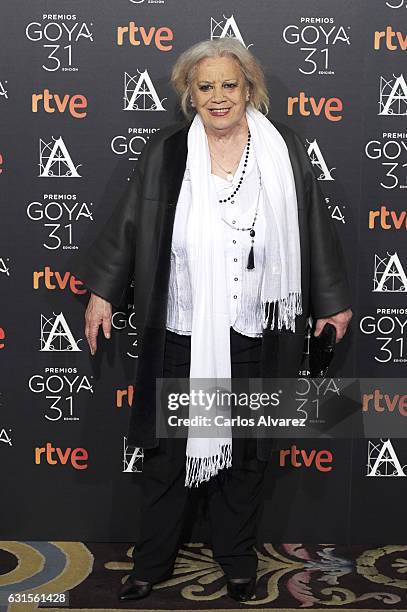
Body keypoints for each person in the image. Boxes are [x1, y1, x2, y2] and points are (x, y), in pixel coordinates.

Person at [72, 38, 352, 602]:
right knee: (167, 457)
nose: (219, 97)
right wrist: (103, 292)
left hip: (255, 325)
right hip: (183, 326)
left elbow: (313, 226)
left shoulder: (285, 150)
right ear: (189, 94)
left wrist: (331, 300)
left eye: (230, 85)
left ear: (250, 88)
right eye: (206, 87)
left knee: (246, 457)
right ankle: (151, 562)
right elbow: (132, 224)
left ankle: (237, 561)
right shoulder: (167, 150)